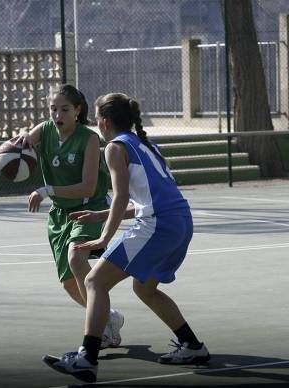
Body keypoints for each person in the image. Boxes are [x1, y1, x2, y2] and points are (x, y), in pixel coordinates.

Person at [42, 93, 209, 383]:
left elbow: (121, 197)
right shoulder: (146, 144)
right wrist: (99, 216)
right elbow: (148, 200)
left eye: (96, 119)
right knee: (145, 289)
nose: (95, 124)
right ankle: (193, 345)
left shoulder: (115, 148)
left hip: (159, 225)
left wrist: (103, 238)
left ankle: (87, 358)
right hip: (181, 221)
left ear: (105, 121)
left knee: (94, 281)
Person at [21, 84, 123, 349]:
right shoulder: (44, 131)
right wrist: (15, 147)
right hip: (59, 216)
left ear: (77, 111)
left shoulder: (89, 139)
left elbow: (88, 186)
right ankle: (109, 318)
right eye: (53, 109)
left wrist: (46, 190)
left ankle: (98, 332)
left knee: (77, 257)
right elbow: (23, 142)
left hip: (90, 209)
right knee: (69, 285)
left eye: (65, 109)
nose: (58, 114)